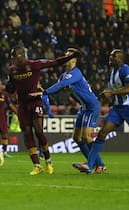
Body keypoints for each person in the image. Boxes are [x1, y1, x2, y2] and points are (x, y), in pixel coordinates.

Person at [73, 49, 129, 174]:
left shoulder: (126, 69)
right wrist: (108, 97)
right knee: (102, 133)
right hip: (118, 108)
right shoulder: (112, 72)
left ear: (119, 59)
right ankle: (90, 165)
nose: (110, 58)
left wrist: (111, 93)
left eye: (112, 56)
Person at [7, 45, 78, 175]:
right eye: (11, 56)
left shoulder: (34, 65)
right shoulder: (12, 70)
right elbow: (11, 87)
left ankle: (48, 161)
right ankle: (36, 165)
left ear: (22, 55)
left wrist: (71, 56)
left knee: (39, 132)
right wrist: (10, 87)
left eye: (14, 55)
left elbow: (54, 62)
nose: (12, 59)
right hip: (22, 105)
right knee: (27, 133)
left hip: (35, 102)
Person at [40, 48, 106, 173]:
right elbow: (58, 88)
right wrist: (44, 93)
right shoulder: (63, 75)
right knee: (77, 138)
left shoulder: (76, 73)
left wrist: (45, 92)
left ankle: (98, 164)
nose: (65, 56)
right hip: (83, 108)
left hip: (92, 106)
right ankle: (93, 163)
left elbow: (60, 86)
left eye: (68, 55)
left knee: (87, 137)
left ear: (73, 60)